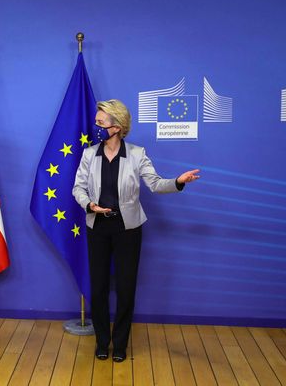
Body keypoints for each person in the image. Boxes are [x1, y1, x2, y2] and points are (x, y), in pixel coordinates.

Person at [72, 99, 199, 362]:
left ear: (117, 127)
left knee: (126, 288)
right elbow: (78, 188)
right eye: (96, 122)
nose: (96, 127)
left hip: (127, 229)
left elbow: (155, 184)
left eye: (101, 123)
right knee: (98, 288)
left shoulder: (137, 154)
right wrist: (89, 205)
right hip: (97, 228)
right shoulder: (89, 154)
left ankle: (120, 344)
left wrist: (178, 181)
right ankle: (102, 342)